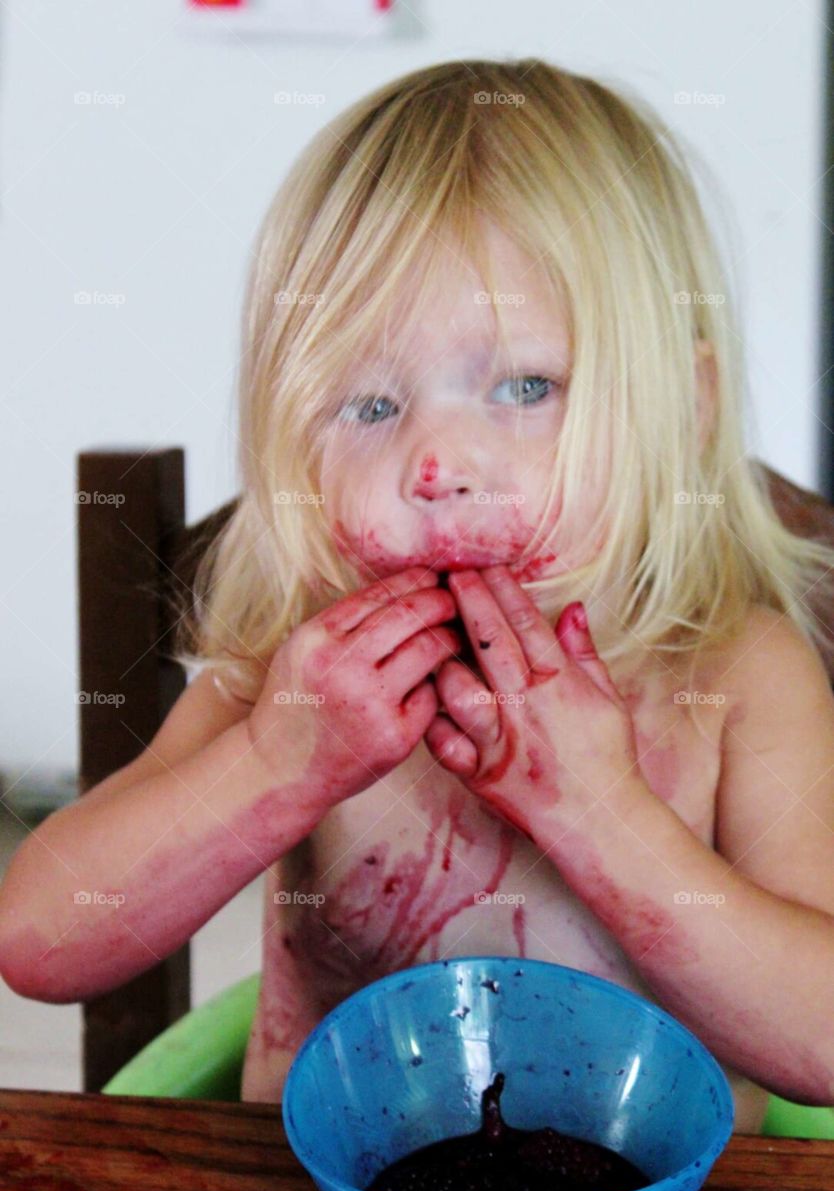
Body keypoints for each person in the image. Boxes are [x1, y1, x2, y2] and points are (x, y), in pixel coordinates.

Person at [3, 58, 834, 1134]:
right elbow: (39, 941)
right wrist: (275, 766)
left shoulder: (735, 675)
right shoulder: (294, 678)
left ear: (686, 402)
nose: (437, 466)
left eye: (525, 386)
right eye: (370, 404)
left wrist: (604, 815)